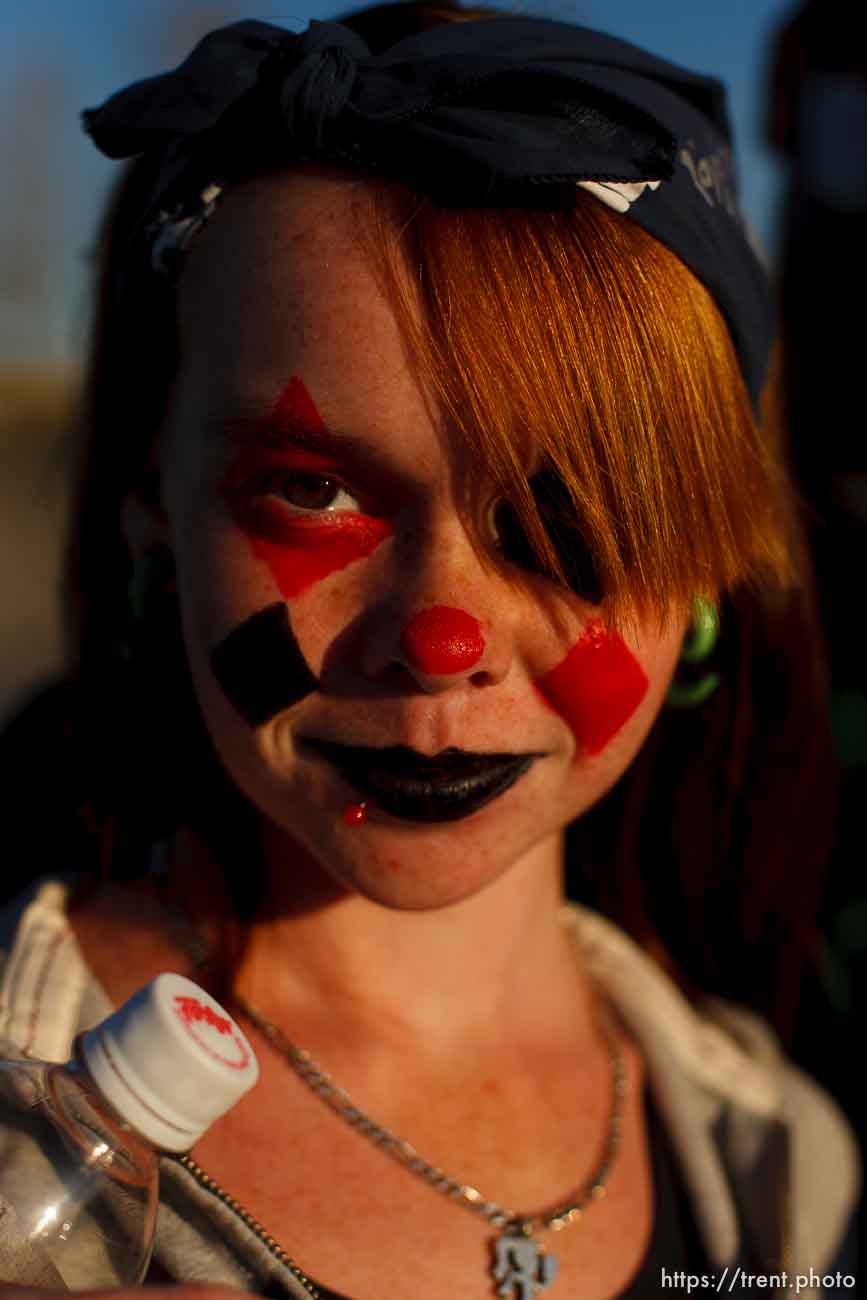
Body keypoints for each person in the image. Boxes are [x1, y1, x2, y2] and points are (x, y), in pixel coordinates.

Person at [0, 3, 859, 1297]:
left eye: (571, 514)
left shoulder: (793, 1177)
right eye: (310, 491)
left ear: (708, 572)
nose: (440, 638)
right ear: (152, 506)